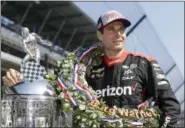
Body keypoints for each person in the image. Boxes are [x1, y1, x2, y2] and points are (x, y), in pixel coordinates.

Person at [2, 10, 180, 128]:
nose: (118, 34)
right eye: (111, 29)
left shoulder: (144, 63)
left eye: (121, 29)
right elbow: (53, 90)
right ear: (100, 35)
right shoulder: (81, 68)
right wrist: (21, 82)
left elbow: (170, 107)